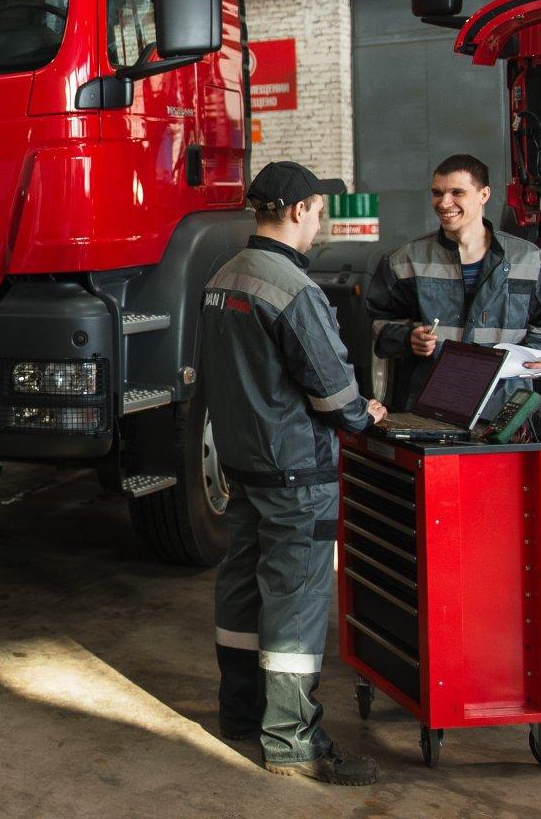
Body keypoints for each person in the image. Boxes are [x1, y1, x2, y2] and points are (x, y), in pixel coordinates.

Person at [203, 161, 385, 786]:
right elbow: (334, 396)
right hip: (295, 470)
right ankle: (291, 740)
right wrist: (365, 414)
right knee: (296, 603)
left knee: (242, 586)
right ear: (302, 209)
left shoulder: (223, 276)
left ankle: (240, 713)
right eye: (319, 211)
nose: (321, 223)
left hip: (244, 464)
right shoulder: (292, 288)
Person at [367, 153, 541, 410]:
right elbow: (378, 323)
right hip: (428, 405)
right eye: (437, 193)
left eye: (456, 192)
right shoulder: (403, 261)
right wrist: (407, 338)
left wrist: (539, 354)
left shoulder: (529, 259)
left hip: (503, 407)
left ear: (483, 195)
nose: (444, 202)